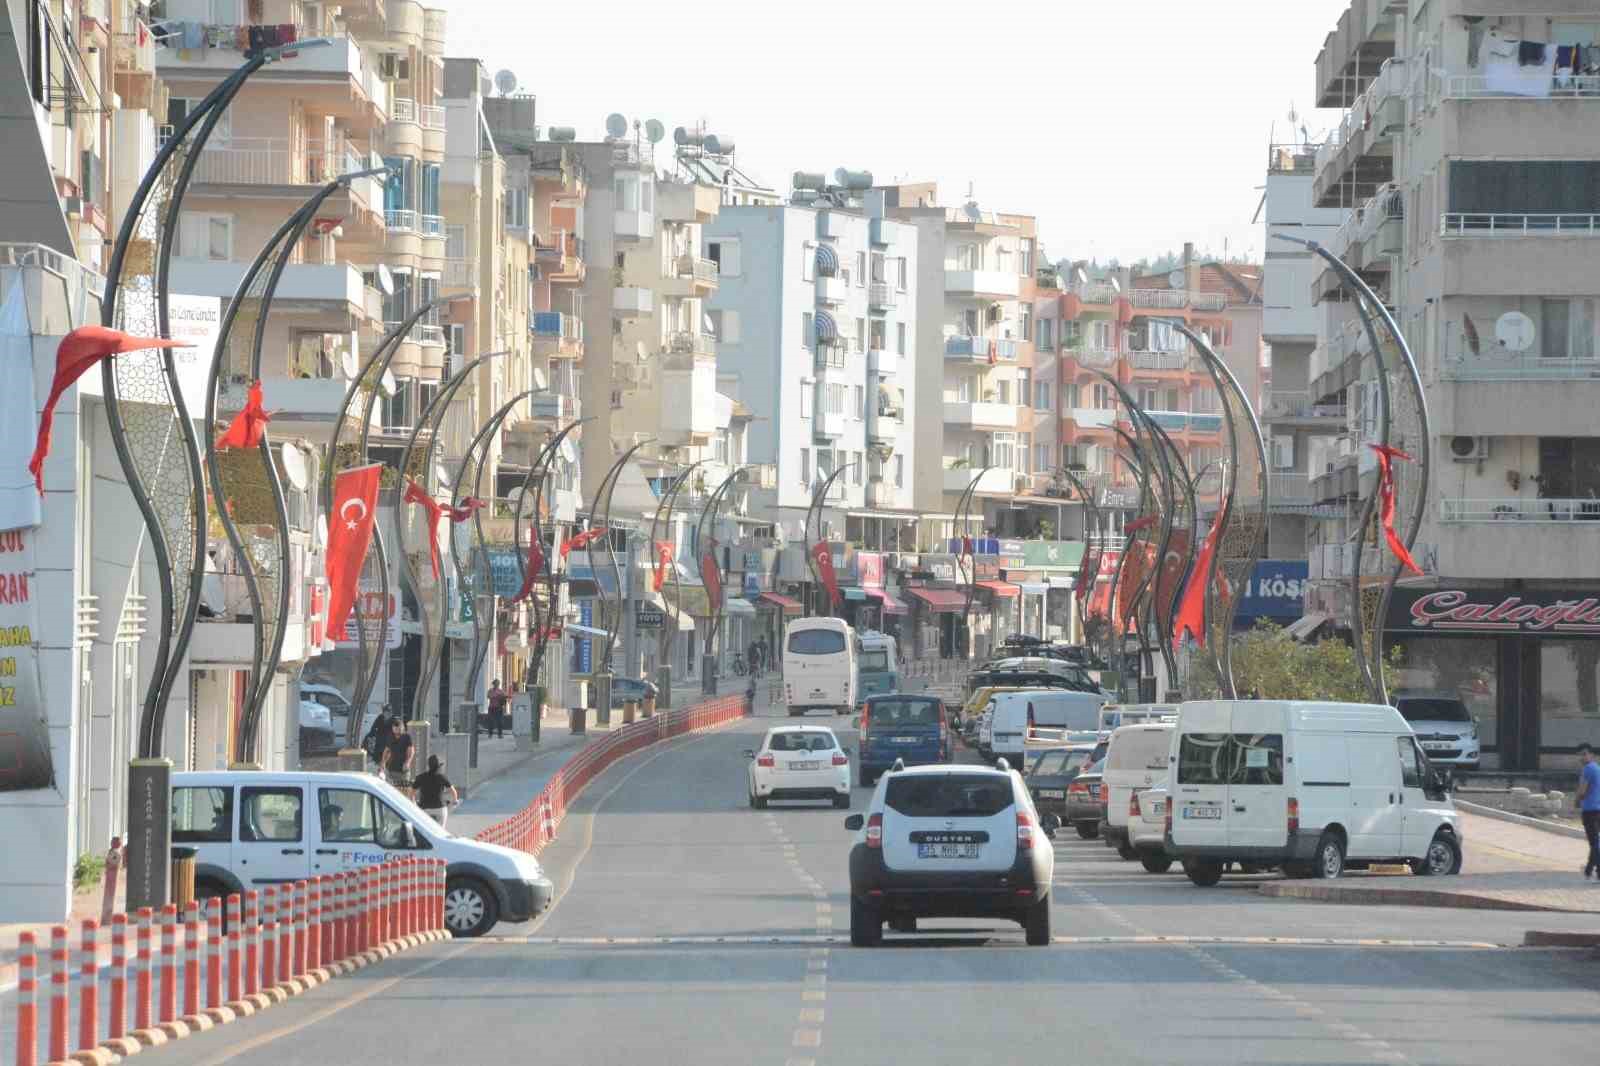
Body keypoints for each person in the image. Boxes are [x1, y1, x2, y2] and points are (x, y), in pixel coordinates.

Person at [412, 755, 458, 829]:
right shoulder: (442, 777)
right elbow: (454, 792)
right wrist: (454, 801)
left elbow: (412, 793)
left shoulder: (421, 777)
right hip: (440, 808)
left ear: (429, 765)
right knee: (441, 828)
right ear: (439, 767)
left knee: (424, 828)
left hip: (425, 808)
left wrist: (414, 803)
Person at [1580, 744, 1600, 879]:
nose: (1582, 757)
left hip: (1589, 810)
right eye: (1580, 755)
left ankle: (1594, 869)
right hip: (1598, 808)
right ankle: (1589, 868)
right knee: (1596, 842)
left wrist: (1577, 800)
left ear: (1592, 755)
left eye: (1584, 754)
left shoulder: (1587, 769)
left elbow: (1582, 790)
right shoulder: (1598, 768)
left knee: (1594, 842)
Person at [384, 719, 415, 796]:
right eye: (395, 728)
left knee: (404, 792)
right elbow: (387, 751)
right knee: (392, 792)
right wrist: (383, 763)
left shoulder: (406, 737)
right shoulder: (390, 737)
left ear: (403, 727)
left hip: (403, 770)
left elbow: (411, 751)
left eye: (399, 728)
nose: (397, 730)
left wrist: (408, 762)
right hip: (391, 769)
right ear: (393, 728)